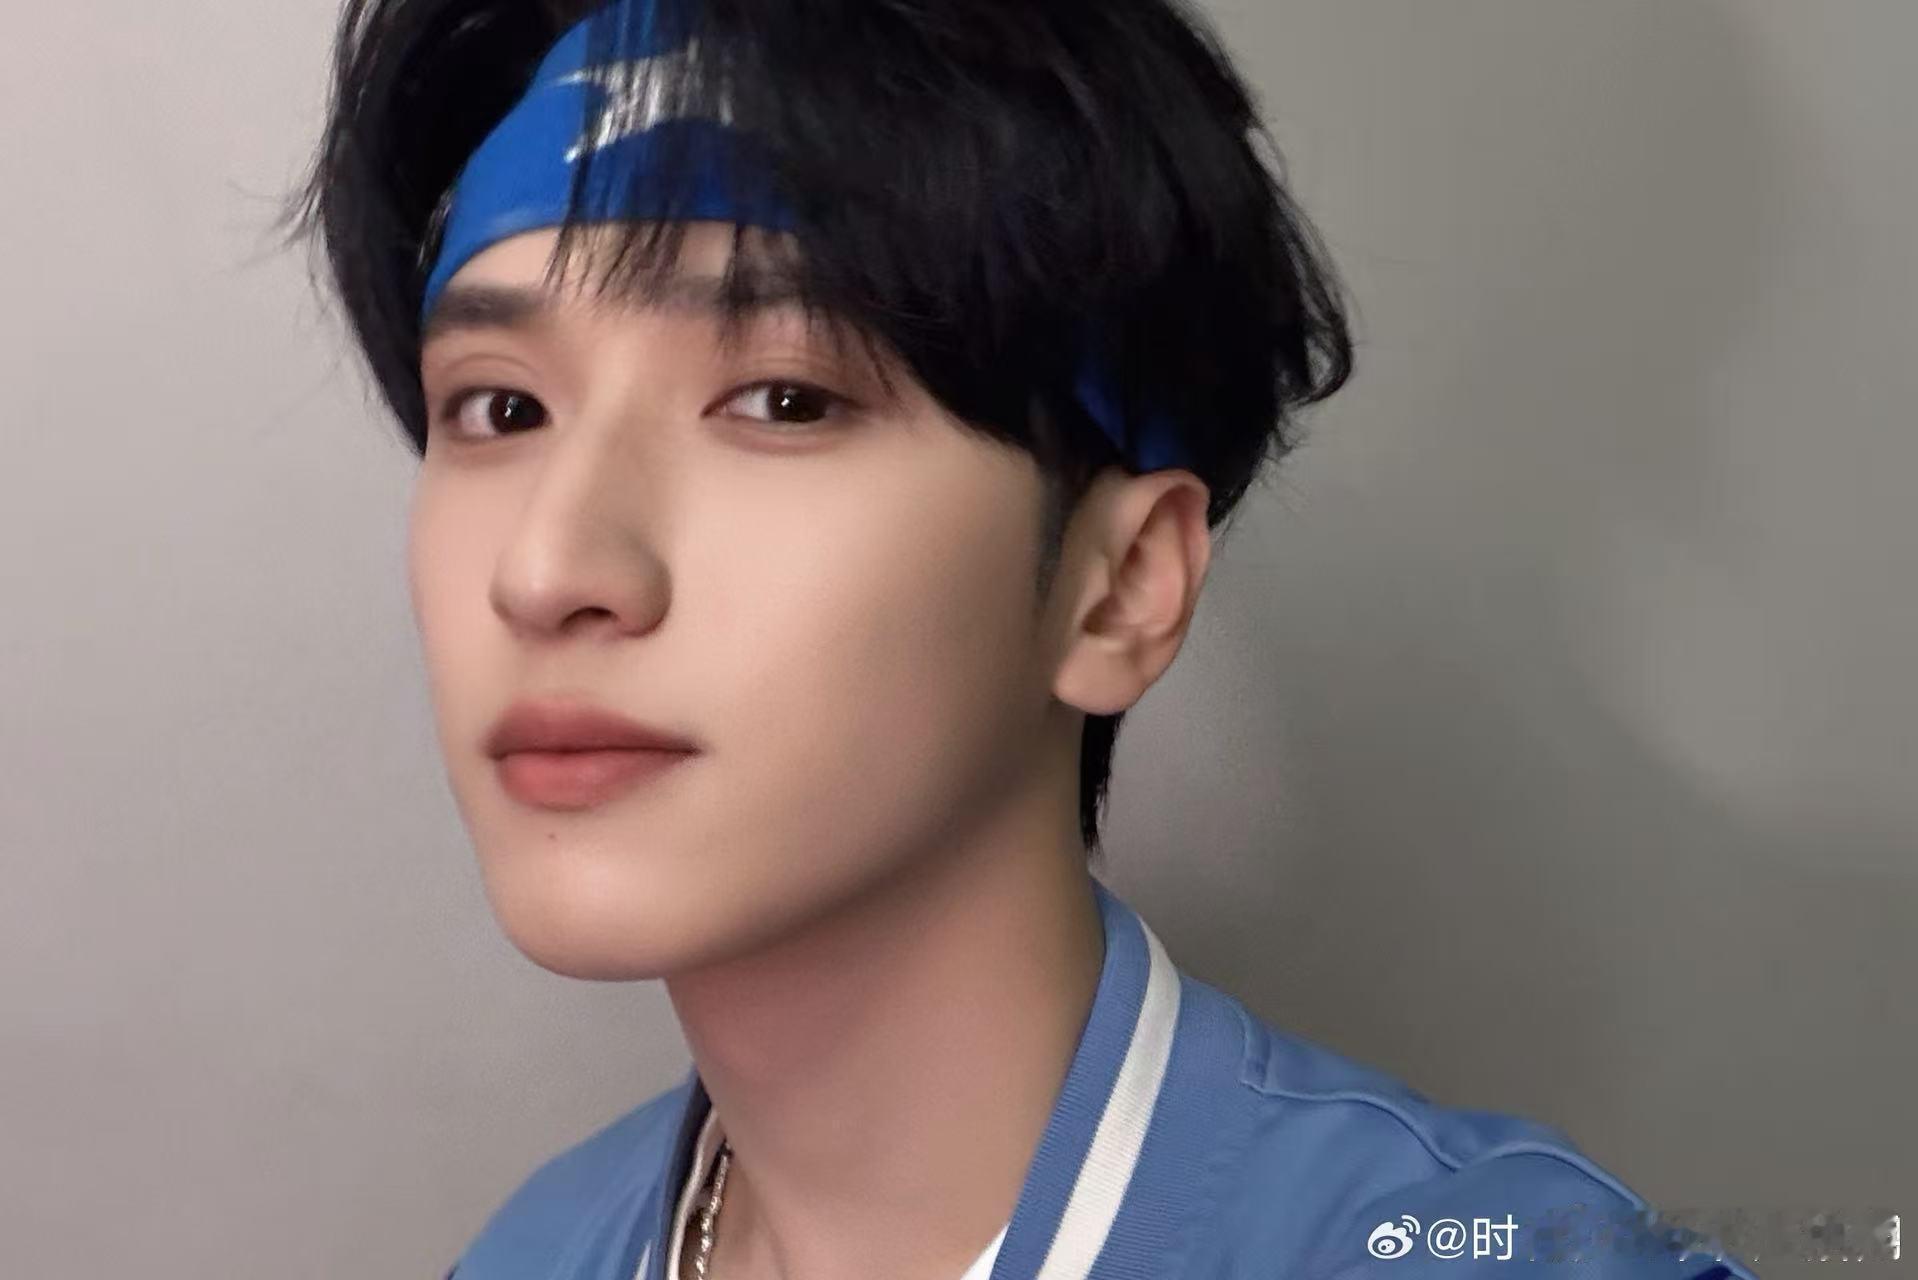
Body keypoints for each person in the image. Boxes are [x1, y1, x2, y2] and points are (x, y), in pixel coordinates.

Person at [283, 1, 1759, 1277]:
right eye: (501, 408)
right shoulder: (538, 1249)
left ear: (1119, 586)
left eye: (785, 399)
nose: (547, 569)